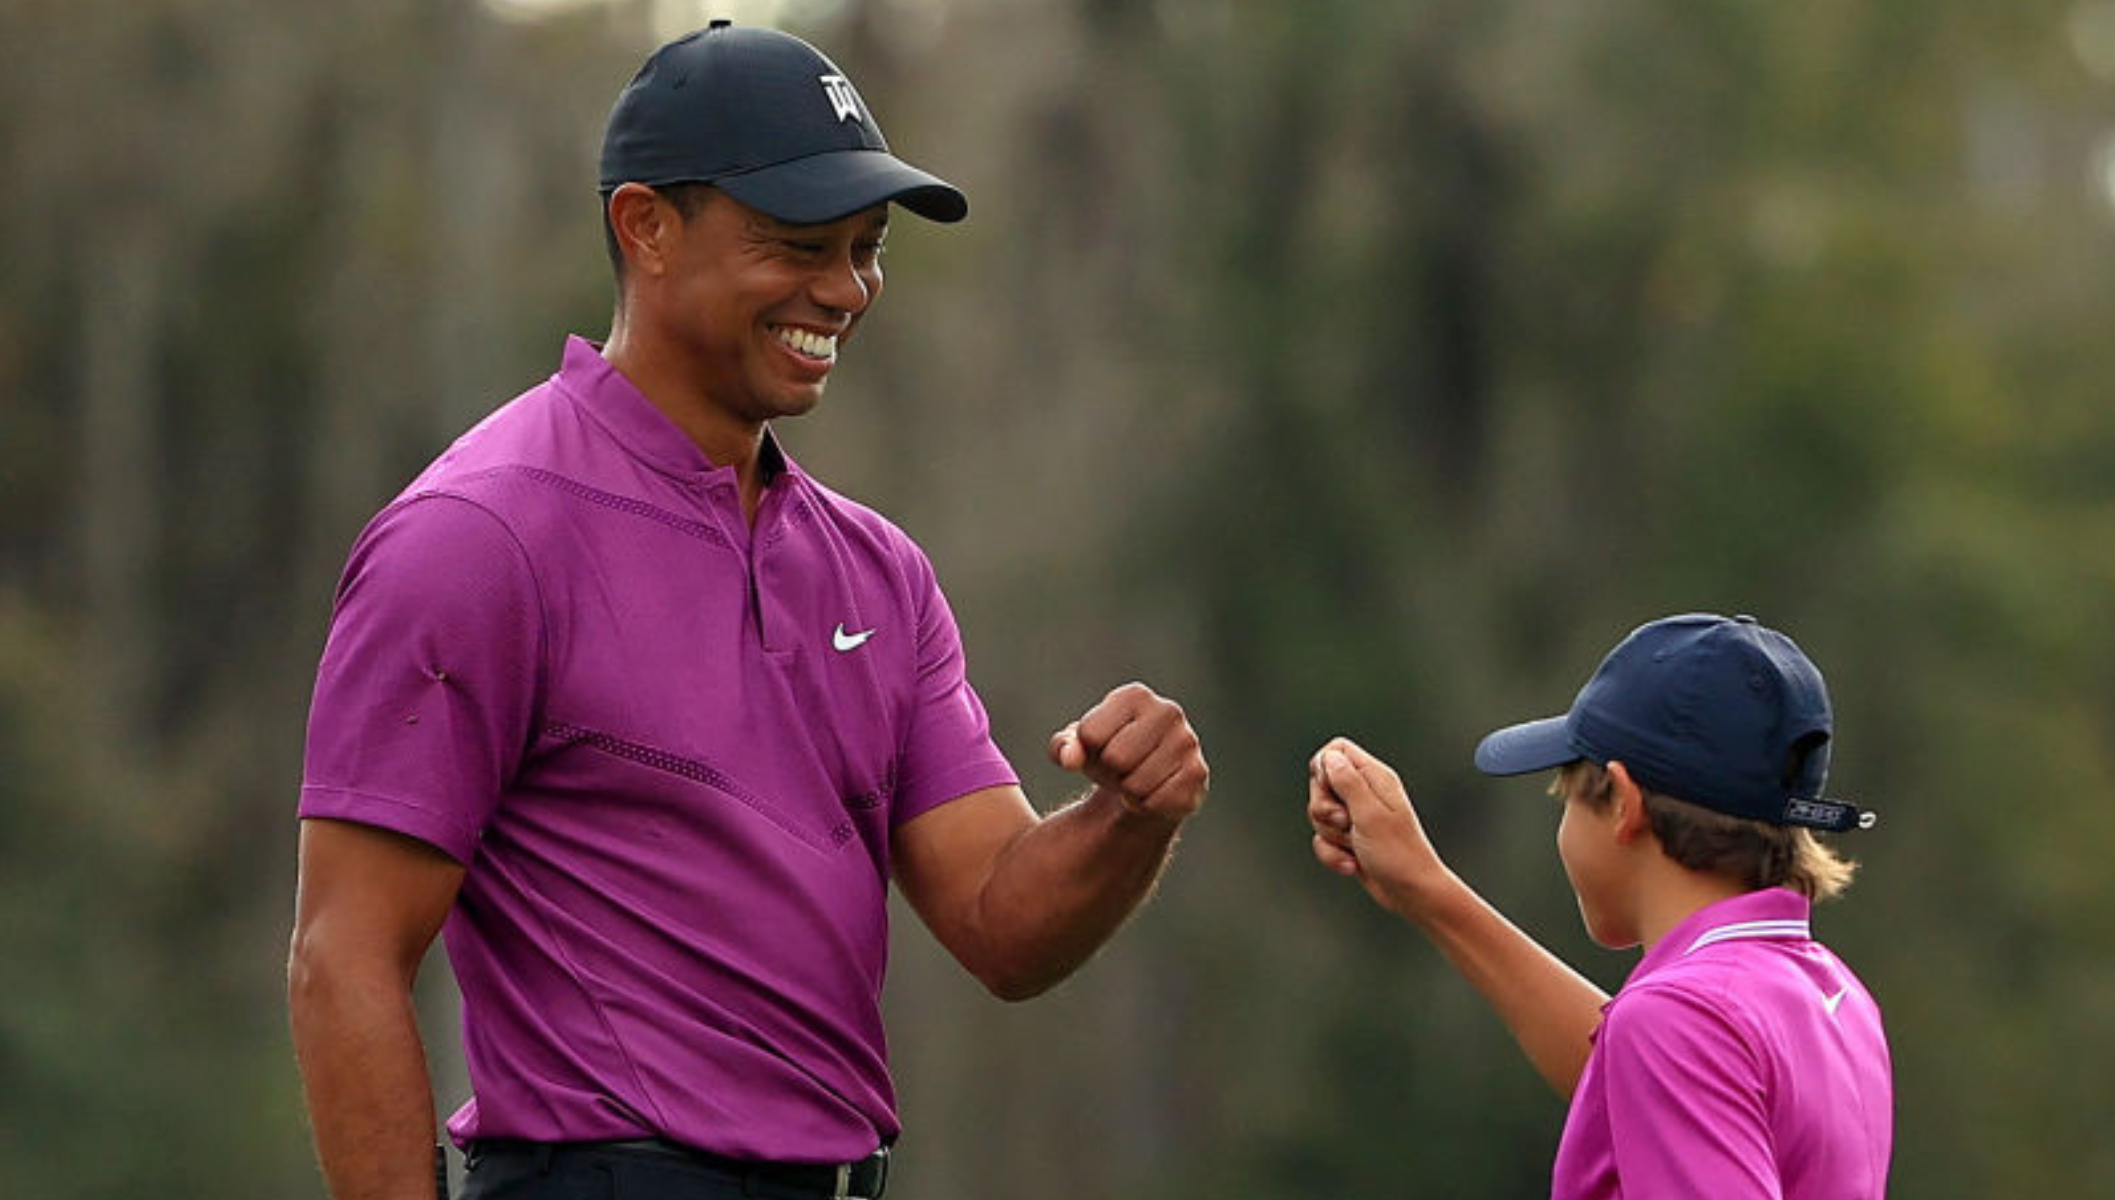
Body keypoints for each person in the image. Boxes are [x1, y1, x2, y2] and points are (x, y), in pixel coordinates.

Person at [287, 23, 1207, 1200]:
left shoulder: (878, 573)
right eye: (798, 247)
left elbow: (1000, 922)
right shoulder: (480, 534)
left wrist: (1128, 817)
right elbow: (344, 959)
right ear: (645, 228)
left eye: (868, 249)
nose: (845, 290)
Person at [1306, 613, 1891, 1199]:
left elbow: (1667, 1056)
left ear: (1622, 804)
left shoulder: (1677, 1022)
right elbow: (1650, 1089)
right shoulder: (1826, 992)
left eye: (1567, 796)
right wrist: (1424, 888)